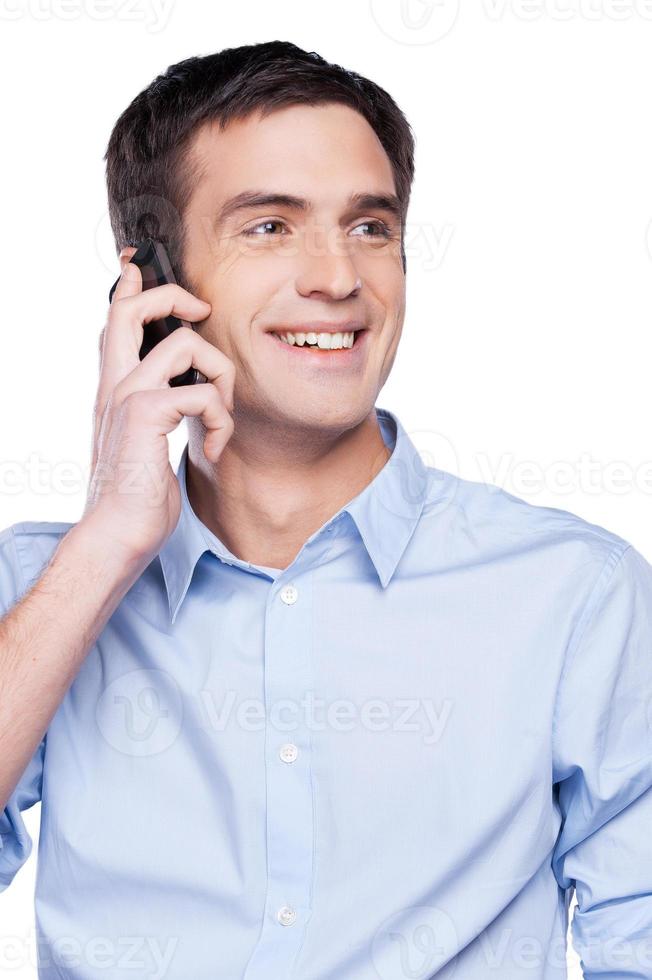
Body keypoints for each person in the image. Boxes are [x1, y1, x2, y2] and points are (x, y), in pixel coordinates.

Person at [1, 40, 651, 980]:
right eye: (269, 227)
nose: (339, 278)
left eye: (370, 227)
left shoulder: (575, 596)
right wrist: (107, 540)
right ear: (149, 286)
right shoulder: (46, 594)